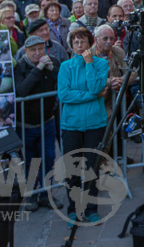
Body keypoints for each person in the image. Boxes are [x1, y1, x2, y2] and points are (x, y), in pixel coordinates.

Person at [57, 26, 109, 226]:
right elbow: (64, 95)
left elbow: (96, 86)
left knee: (91, 168)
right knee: (72, 169)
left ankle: (91, 208)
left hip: (94, 123)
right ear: (71, 45)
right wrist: (91, 96)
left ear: (90, 43)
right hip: (71, 125)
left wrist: (89, 64)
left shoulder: (100, 64)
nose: (79, 46)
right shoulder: (65, 67)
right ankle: (73, 209)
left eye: (83, 42)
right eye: (76, 42)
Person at [14, 34, 60, 212]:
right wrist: (38, 69)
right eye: (33, 50)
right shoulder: (20, 66)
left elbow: (61, 81)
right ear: (26, 51)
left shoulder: (52, 61)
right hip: (26, 124)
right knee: (30, 160)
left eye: (40, 49)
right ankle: (31, 195)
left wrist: (51, 69)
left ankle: (46, 194)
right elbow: (22, 90)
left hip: (47, 120)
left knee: (48, 157)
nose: (37, 53)